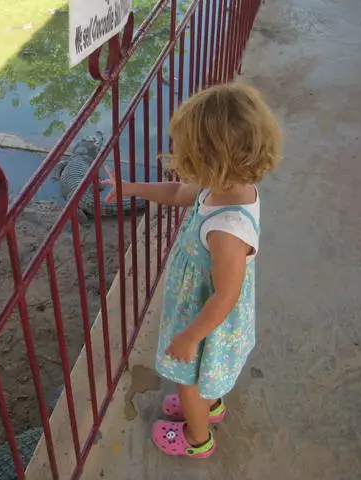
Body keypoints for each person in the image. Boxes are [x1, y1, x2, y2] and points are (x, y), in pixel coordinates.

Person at [102, 82, 282, 458]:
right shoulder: (226, 184)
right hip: (198, 309)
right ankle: (210, 404)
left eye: (185, 152)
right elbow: (178, 193)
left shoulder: (227, 228)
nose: (177, 157)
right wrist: (131, 187)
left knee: (189, 381)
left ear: (211, 160)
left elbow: (226, 295)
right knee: (202, 378)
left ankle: (196, 438)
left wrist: (189, 337)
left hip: (204, 320)